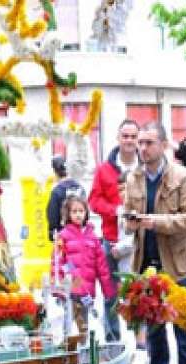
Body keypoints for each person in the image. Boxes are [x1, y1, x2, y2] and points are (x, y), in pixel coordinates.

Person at [123, 122, 186, 364]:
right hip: (147, 264)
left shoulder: (183, 176)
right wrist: (130, 221)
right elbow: (128, 215)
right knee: (154, 331)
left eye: (148, 143)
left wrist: (156, 221)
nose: (142, 148)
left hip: (180, 265)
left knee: (185, 329)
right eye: (139, 143)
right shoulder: (133, 177)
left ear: (164, 144)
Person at [89, 119, 141, 342]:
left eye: (133, 136)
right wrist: (116, 211)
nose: (129, 140)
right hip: (110, 240)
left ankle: (142, 340)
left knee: (140, 292)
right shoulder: (104, 169)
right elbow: (93, 201)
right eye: (125, 136)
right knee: (110, 294)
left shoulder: (145, 166)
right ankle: (112, 339)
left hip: (140, 239)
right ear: (118, 139)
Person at [55, 195, 115, 337]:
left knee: (83, 326)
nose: (78, 214)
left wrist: (108, 290)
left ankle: (83, 349)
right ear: (68, 214)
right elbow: (58, 262)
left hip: (87, 291)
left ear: (86, 213)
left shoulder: (93, 237)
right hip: (70, 289)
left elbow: (102, 267)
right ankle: (68, 350)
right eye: (74, 211)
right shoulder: (63, 236)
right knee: (68, 324)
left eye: (81, 211)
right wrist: (60, 285)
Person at [45, 155, 84, 242]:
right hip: (81, 234)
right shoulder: (80, 188)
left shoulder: (57, 191)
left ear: (55, 172)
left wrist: (51, 232)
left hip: (63, 236)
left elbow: (53, 217)